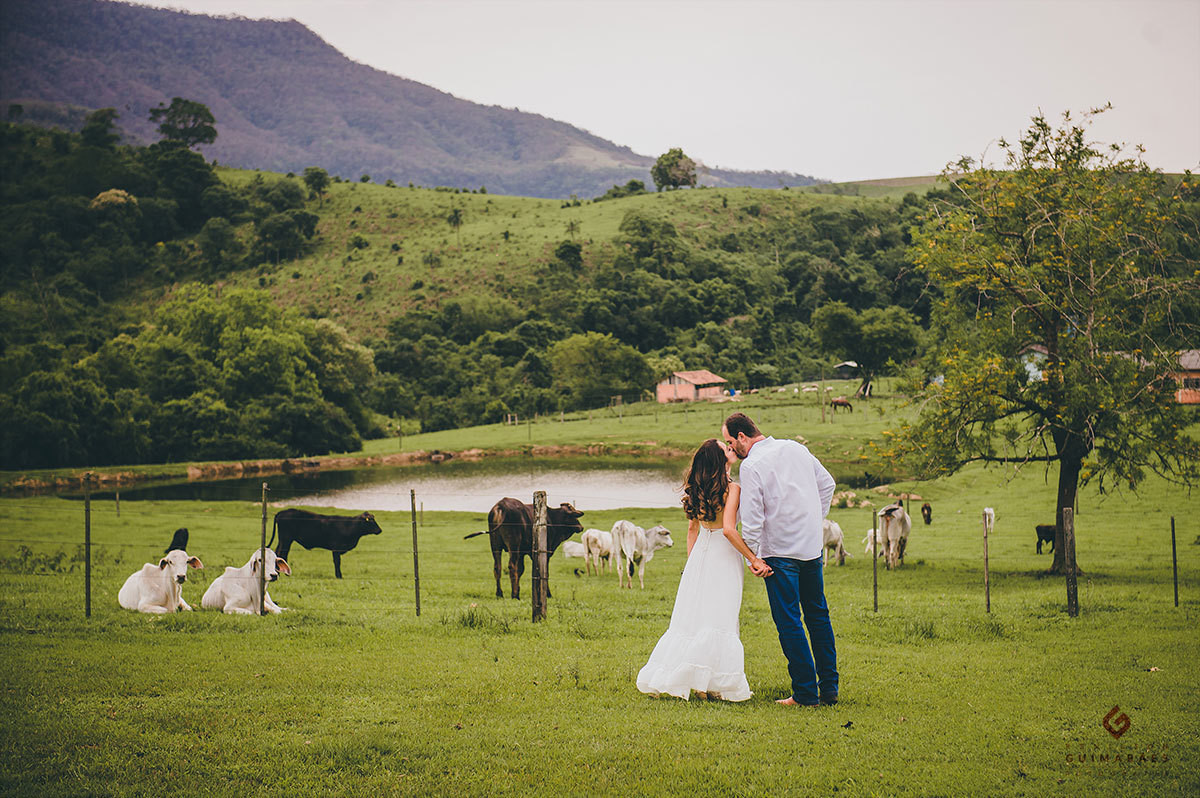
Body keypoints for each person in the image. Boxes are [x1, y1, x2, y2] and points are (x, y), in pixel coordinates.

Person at [636, 438, 772, 701]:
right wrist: (753, 559)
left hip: (700, 554)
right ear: (719, 460)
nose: (731, 449)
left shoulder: (697, 488)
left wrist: (693, 565)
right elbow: (729, 530)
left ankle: (700, 684)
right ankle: (712, 683)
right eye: (726, 449)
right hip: (724, 554)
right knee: (720, 615)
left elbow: (692, 529)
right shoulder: (732, 489)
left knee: (696, 618)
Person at [722, 411, 839, 707]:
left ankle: (805, 693)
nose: (731, 448)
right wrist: (813, 521)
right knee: (818, 616)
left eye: (730, 442)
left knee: (789, 622)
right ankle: (829, 690)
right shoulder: (796, 448)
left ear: (741, 436)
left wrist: (753, 557)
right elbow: (827, 485)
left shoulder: (752, 465)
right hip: (811, 548)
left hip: (778, 553)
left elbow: (752, 518)